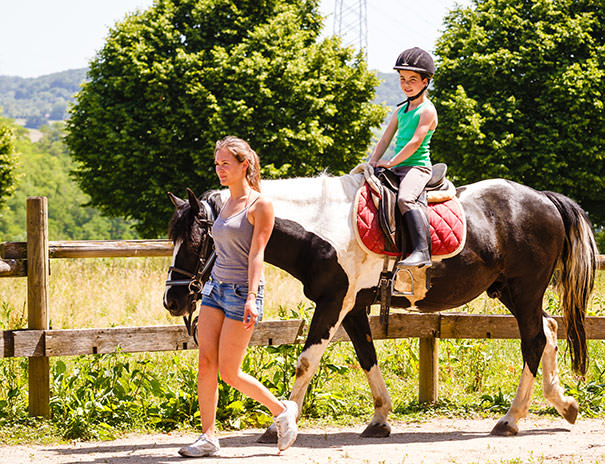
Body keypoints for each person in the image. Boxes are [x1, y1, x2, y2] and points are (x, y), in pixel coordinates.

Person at [178, 136, 298, 458]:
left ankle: (282, 411)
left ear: (244, 165)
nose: (219, 169)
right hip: (215, 291)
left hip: (242, 293)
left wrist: (252, 297)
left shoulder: (260, 205)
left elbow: (257, 254)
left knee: (229, 373)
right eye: (217, 164)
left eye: (225, 164)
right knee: (206, 364)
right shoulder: (222, 201)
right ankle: (208, 437)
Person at [368, 47, 438, 269]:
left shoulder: (427, 110)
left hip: (417, 167)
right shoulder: (400, 111)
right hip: (398, 166)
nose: (406, 85)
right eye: (402, 79)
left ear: (425, 82)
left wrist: (390, 163)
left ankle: (422, 251)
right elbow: (385, 139)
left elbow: (414, 142)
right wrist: (372, 161)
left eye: (413, 80)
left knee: (405, 199)